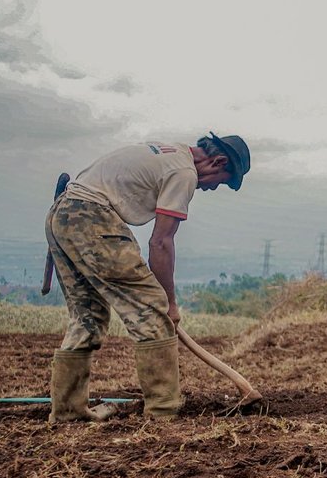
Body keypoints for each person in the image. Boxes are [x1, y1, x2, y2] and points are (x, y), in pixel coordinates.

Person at [45, 133, 251, 422]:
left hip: (63, 211)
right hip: (92, 217)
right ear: (218, 161)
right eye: (222, 180)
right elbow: (161, 243)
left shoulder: (169, 151)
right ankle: (163, 411)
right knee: (154, 309)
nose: (214, 187)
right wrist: (170, 302)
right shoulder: (183, 172)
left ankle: (68, 411)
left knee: (87, 317)